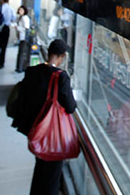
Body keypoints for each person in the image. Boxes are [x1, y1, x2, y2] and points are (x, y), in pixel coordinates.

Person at [13, 39, 76, 195]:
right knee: (52, 177)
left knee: (40, 168)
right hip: (51, 133)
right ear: (62, 56)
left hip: (34, 130)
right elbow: (70, 106)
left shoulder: (32, 71)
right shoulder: (60, 77)